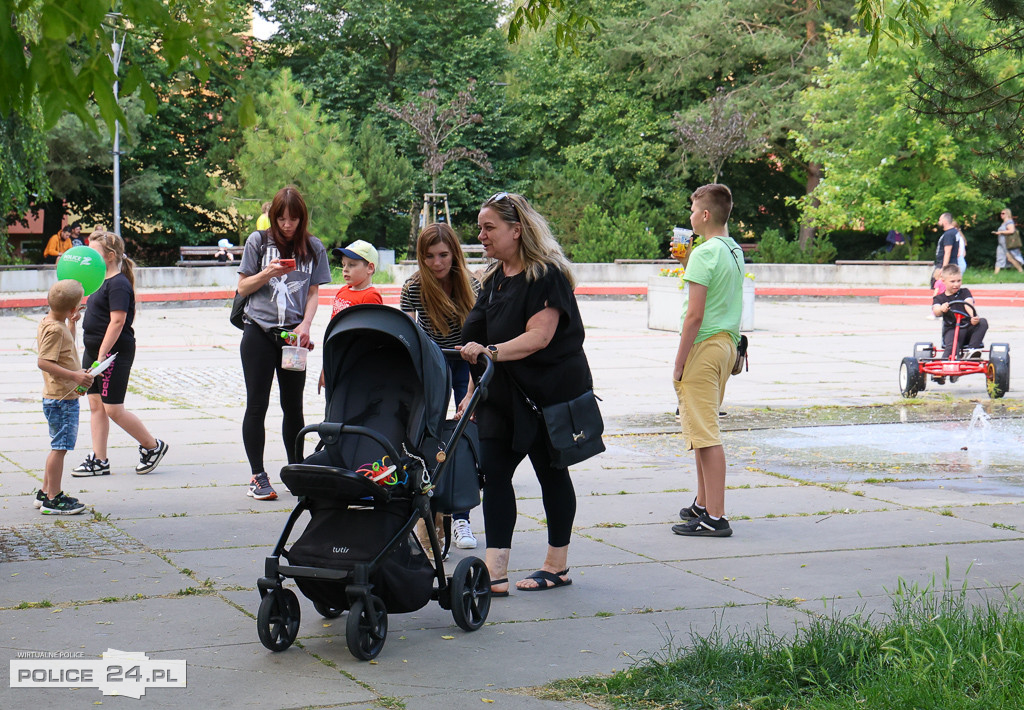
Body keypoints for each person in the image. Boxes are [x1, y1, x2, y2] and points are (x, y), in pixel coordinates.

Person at [459, 192, 593, 594]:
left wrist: (491, 354)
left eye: (489, 228)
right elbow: (476, 341)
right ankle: (494, 573)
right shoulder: (494, 278)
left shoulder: (546, 275)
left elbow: (539, 336)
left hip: (544, 398)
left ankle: (557, 566)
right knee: (495, 476)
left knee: (551, 476)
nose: (481, 235)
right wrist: (471, 392)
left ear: (516, 230)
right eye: (480, 228)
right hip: (501, 396)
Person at [237, 186, 331, 501]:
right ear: (273, 217)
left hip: (292, 336)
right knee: (257, 403)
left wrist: (305, 326)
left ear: (302, 219)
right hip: (258, 332)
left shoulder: (314, 248)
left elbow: (315, 292)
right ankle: (257, 476)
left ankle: (296, 470)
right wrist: (268, 272)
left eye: (293, 219)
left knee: (293, 406)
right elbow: (243, 287)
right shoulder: (257, 242)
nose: (287, 225)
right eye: (281, 218)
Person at [401, 223, 482, 549]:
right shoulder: (414, 286)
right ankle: (429, 517)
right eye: (430, 256)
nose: (437, 263)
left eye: (443, 255)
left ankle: (461, 518)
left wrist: (472, 390)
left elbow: (483, 329)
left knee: (463, 435)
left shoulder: (470, 283)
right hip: (433, 362)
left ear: (454, 254)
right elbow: (406, 334)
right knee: (428, 436)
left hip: (467, 359)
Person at [671, 184, 744, 539]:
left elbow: (694, 316)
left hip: (703, 346)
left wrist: (679, 362)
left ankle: (716, 516)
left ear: (704, 215)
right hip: (727, 345)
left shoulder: (704, 253)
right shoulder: (731, 249)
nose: (689, 215)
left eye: (692, 209)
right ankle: (703, 504)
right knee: (701, 431)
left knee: (706, 434)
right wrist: (687, 262)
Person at [72, 231, 169, 477]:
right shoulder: (99, 281)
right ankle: (99, 459)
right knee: (95, 405)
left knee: (113, 408)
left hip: (112, 353)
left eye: (94, 252)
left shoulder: (119, 284)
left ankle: (152, 446)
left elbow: (117, 322)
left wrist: (102, 354)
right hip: (95, 350)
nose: (88, 257)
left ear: (110, 256)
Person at [35, 280, 94, 514]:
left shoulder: (53, 322)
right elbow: (43, 362)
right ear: (72, 308)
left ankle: (44, 492)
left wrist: (72, 323)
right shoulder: (55, 329)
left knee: (57, 447)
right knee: (59, 448)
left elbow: (65, 345)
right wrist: (75, 376)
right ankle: (53, 499)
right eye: (78, 306)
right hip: (62, 399)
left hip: (60, 397)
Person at [316, 239, 382, 393]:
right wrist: (325, 368)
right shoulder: (343, 291)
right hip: (334, 358)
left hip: (354, 365)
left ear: (370, 268)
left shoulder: (371, 296)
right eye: (344, 264)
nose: (345, 269)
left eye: (352, 265)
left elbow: (370, 337)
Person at [932, 264, 988, 362]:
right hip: (952, 329)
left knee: (982, 322)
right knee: (952, 346)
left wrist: (973, 316)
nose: (956, 284)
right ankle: (943, 367)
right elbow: (936, 311)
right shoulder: (939, 298)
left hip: (968, 327)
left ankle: (972, 351)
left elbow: (968, 303)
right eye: (952, 281)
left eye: (959, 281)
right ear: (943, 281)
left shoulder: (964, 292)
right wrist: (941, 308)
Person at [993, 208, 1023, 274]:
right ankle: (995, 274)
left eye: (1003, 213)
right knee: (999, 258)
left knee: (1011, 258)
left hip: (1007, 243)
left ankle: (1021, 271)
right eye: (1001, 213)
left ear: (1007, 214)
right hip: (1001, 244)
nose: (1001, 215)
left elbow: (1011, 231)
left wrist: (1001, 232)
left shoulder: (1009, 222)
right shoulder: (1004, 223)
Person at [933, 212, 958, 286]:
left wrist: (944, 268)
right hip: (952, 263)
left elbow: (947, 252)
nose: (939, 222)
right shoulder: (954, 232)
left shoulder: (949, 234)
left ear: (945, 221)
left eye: (940, 220)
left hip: (945, 264)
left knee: (937, 285)